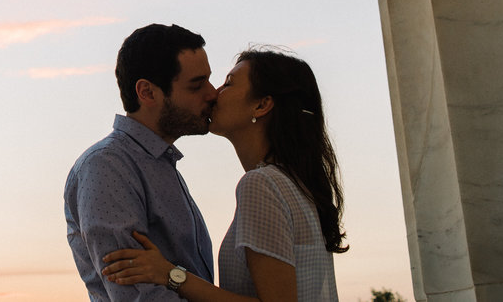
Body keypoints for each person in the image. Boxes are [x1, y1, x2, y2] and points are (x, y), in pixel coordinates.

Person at [101, 48, 348, 302]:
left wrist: (172, 275)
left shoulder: (262, 184)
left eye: (228, 83)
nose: (214, 93)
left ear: (261, 105)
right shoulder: (295, 185)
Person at [64, 23, 220, 300]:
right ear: (147, 92)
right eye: (197, 85)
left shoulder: (158, 164)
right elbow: (137, 295)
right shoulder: (108, 167)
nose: (212, 93)